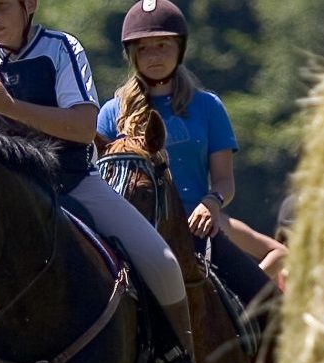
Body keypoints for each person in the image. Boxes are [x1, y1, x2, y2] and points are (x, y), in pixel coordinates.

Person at [0, 0, 232, 363]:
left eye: (2, 5)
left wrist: (7, 106)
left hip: (72, 187)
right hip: (4, 209)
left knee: (161, 262)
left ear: (29, 6)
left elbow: (84, 128)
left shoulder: (62, 48)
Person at [96, 0, 275, 313]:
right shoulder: (111, 113)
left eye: (163, 45)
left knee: (271, 304)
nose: (154, 56)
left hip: (197, 231)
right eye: (144, 48)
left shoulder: (208, 107)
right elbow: (102, 182)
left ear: (179, 48)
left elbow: (224, 180)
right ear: (132, 54)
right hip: (132, 236)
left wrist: (212, 202)